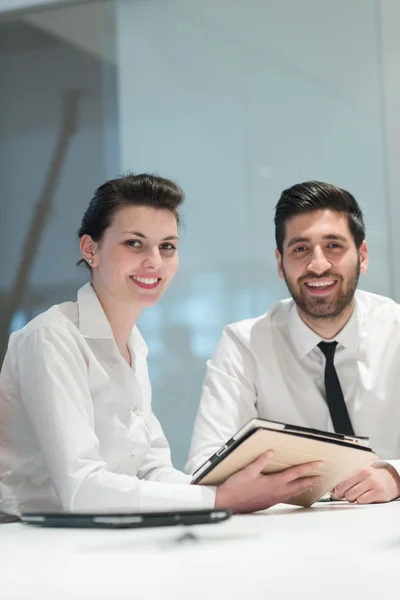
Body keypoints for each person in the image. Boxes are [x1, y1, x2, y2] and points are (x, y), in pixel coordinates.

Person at [0, 174, 322, 516]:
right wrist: (220, 499)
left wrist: (227, 488)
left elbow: (151, 469)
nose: (154, 261)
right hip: (27, 541)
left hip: (100, 534)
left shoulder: (134, 345)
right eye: (134, 244)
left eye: (167, 246)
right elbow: (81, 489)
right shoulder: (52, 338)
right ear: (90, 249)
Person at [186, 181, 400, 505]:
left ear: (363, 255)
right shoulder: (244, 346)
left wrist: (395, 475)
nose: (318, 264)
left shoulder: (395, 331)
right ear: (279, 261)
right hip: (285, 535)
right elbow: (204, 468)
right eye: (300, 248)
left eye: (334, 246)